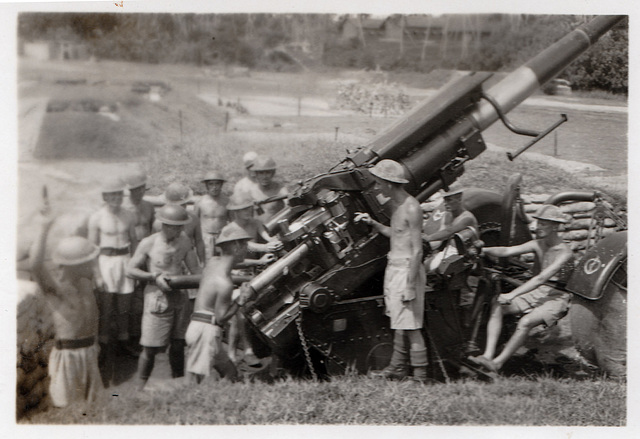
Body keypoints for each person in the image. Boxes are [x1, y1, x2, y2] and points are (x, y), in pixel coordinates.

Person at [469, 204, 574, 374]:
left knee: (525, 322)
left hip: (557, 297)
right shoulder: (537, 244)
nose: (537, 227)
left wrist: (512, 294)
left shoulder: (565, 253)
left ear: (555, 226)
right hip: (538, 292)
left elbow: (540, 279)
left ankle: (497, 363)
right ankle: (487, 356)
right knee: (498, 306)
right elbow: (507, 251)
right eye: (538, 223)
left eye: (543, 224)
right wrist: (484, 250)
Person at [354, 159, 428, 383]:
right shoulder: (396, 206)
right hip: (394, 268)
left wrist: (409, 285)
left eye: (378, 183)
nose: (376, 187)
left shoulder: (412, 208)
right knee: (398, 321)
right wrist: (374, 224)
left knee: (412, 326)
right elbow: (396, 234)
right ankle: (397, 368)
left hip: (407, 270)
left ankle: (420, 378)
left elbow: (417, 251)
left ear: (389, 183)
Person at [30, 202, 104, 407]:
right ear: (76, 265)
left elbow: (93, 313)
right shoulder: (55, 288)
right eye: (88, 261)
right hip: (68, 355)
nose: (92, 264)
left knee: (92, 405)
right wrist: (44, 227)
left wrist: (96, 341)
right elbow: (35, 265)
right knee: (67, 406)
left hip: (89, 349)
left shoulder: (85, 282)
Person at [126, 205, 202, 390]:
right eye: (174, 226)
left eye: (180, 226)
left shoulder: (184, 241)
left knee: (178, 344)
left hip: (179, 297)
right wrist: (153, 277)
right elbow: (130, 270)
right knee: (150, 348)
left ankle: (179, 382)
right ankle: (139, 387)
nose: (178, 230)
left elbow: (196, 271)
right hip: (156, 297)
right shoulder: (149, 243)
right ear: (163, 225)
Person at [185, 222, 254, 384]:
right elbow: (222, 317)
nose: (246, 248)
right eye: (244, 244)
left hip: (197, 326)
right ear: (236, 246)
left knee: (230, 372)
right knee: (193, 383)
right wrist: (241, 300)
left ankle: (219, 398)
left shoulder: (213, 263)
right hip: (207, 331)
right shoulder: (225, 283)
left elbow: (229, 263)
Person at [88, 176, 138, 371]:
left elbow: (134, 241)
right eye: (112, 195)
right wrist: (97, 274)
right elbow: (92, 248)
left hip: (124, 261)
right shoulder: (97, 217)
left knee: (125, 305)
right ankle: (104, 347)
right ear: (105, 197)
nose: (116, 198)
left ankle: (124, 343)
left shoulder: (128, 215)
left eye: (119, 194)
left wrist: (135, 265)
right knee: (106, 307)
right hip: (105, 262)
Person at [225, 194, 281, 364]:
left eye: (249, 208)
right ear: (235, 212)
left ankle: (247, 351)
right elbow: (244, 248)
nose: (248, 212)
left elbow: (267, 236)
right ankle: (240, 350)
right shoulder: (230, 229)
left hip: (254, 274)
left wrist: (276, 242)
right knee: (239, 313)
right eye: (243, 209)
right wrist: (264, 250)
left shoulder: (256, 223)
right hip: (235, 275)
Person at [122, 168, 156, 352]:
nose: (140, 191)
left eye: (142, 188)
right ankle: (130, 338)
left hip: (147, 256)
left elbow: (152, 232)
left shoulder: (149, 207)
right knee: (130, 298)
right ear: (130, 190)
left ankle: (147, 336)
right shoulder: (124, 209)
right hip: (129, 255)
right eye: (136, 188)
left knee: (147, 295)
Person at [422, 187, 478, 273]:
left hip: (466, 255)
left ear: (459, 199)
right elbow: (441, 235)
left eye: (449, 200)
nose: (445, 204)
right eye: (445, 200)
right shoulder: (448, 215)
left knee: (433, 269)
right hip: (449, 251)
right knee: (425, 265)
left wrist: (428, 238)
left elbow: (448, 232)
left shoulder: (467, 218)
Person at [152, 182, 206, 264]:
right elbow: (153, 244)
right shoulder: (160, 222)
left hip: (188, 258)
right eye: (178, 205)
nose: (182, 207)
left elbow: (199, 241)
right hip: (168, 260)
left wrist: (202, 261)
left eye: (184, 204)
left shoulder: (193, 219)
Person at [242, 155, 289, 223]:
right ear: (256, 174)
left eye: (268, 172)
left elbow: (289, 205)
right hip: (259, 230)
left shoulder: (280, 189)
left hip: (278, 228)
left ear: (273, 173)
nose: (264, 176)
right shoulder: (250, 192)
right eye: (261, 173)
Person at [194, 171, 229, 260]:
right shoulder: (200, 202)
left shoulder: (227, 201)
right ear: (206, 186)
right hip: (205, 237)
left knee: (221, 262)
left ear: (221, 185)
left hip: (221, 237)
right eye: (211, 184)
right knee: (205, 263)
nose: (214, 187)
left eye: (217, 184)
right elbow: (194, 222)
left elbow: (232, 222)